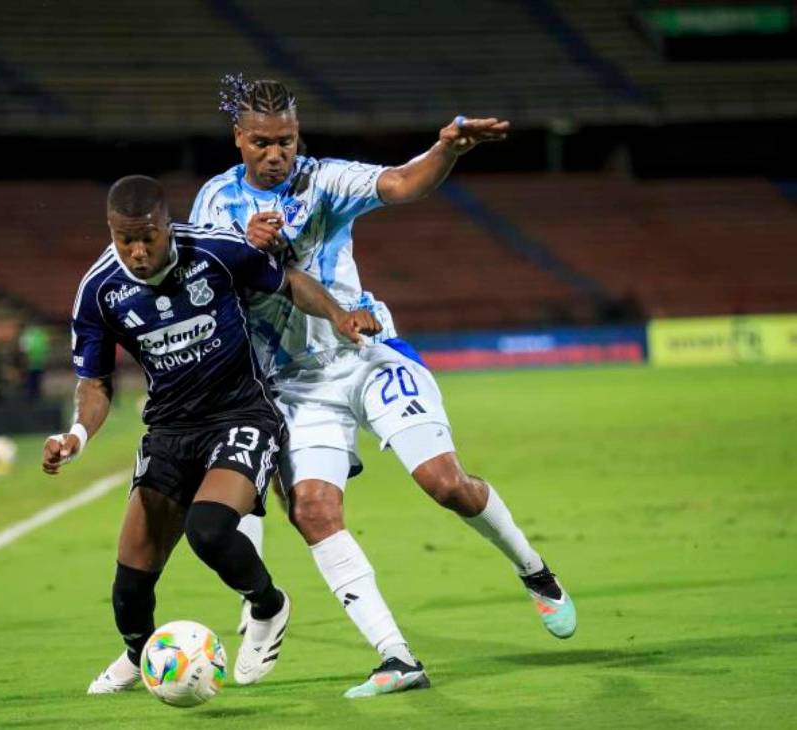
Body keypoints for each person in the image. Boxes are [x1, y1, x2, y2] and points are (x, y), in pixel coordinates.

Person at [189, 76, 577, 698]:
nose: (276, 154)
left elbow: (399, 183)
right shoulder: (213, 204)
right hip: (294, 386)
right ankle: (397, 657)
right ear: (238, 138)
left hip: (366, 353)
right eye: (261, 142)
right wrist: (240, 248)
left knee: (444, 484)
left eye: (285, 140)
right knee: (312, 511)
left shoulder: (324, 179)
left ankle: (535, 572)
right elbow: (205, 284)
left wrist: (446, 149)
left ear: (298, 135)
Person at [41, 175, 380, 695]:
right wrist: (76, 436)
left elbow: (288, 280)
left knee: (209, 530)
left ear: (166, 225)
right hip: (170, 431)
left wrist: (338, 316)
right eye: (122, 238)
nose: (135, 251)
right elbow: (95, 382)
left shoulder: (217, 251)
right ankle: (142, 654)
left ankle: (269, 606)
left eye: (146, 237)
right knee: (129, 590)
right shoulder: (99, 291)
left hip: (242, 414)